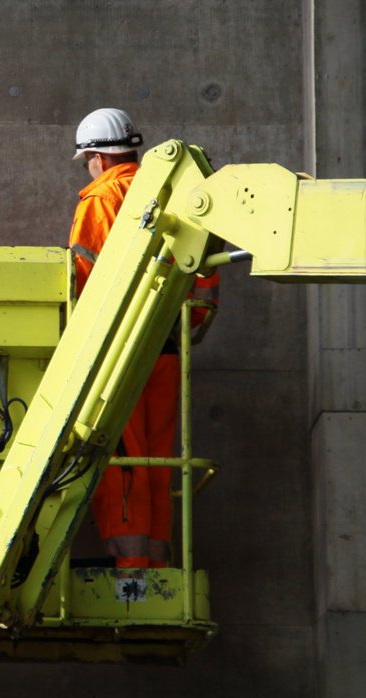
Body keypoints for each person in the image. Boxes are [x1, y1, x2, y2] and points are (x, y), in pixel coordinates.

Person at [68, 108, 219, 569]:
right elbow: (204, 282)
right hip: (169, 349)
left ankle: (130, 569)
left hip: (121, 351)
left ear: (97, 158)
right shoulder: (179, 195)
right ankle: (156, 562)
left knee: (121, 459)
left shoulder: (102, 199)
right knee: (158, 457)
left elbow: (83, 281)